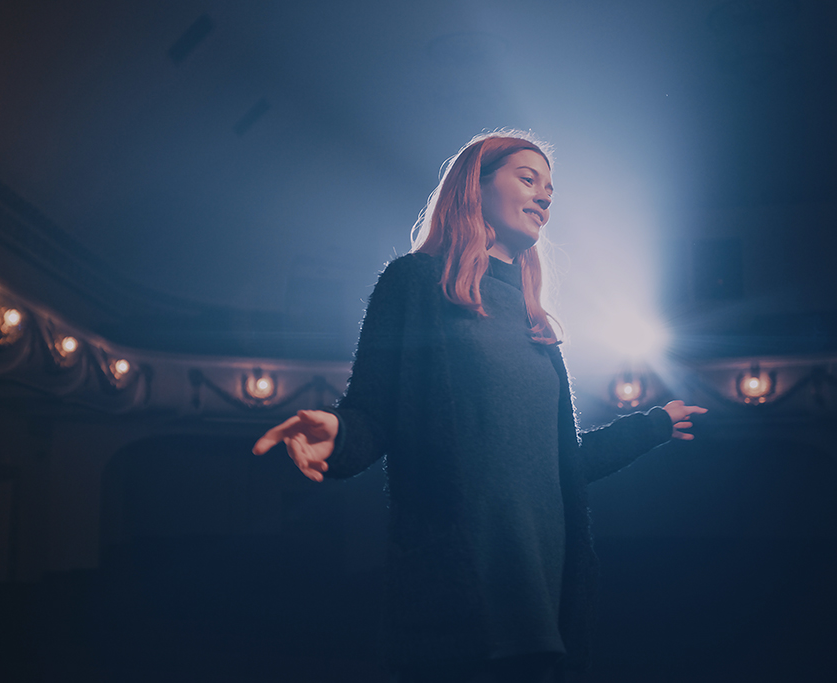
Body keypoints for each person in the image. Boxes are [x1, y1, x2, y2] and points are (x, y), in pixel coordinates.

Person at [253, 131, 706, 683]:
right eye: (527, 178)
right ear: (477, 184)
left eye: (550, 189)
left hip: (546, 613)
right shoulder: (416, 284)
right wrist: (338, 433)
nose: (544, 196)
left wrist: (652, 426)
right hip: (458, 605)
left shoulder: (534, 324)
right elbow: (373, 413)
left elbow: (559, 469)